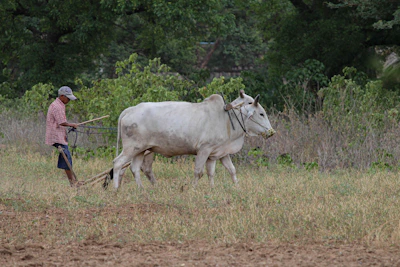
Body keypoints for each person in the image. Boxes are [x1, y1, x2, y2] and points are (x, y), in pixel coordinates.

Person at [45, 86, 82, 187]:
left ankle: (73, 181)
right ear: (62, 96)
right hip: (56, 136)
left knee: (66, 157)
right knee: (67, 157)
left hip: (59, 134)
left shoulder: (60, 104)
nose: (69, 100)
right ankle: (73, 182)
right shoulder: (56, 106)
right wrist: (72, 124)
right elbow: (61, 122)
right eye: (68, 98)